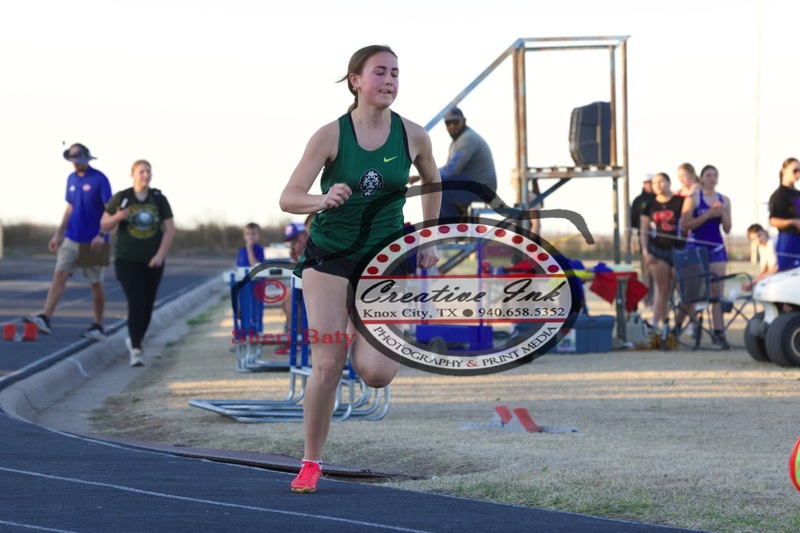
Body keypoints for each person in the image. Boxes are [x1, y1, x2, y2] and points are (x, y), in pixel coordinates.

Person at [279, 44, 440, 493]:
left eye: (395, 73)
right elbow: (289, 196)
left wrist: (426, 234)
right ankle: (311, 463)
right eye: (379, 72)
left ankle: (368, 325)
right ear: (355, 80)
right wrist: (321, 200)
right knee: (327, 364)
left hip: (383, 261)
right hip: (330, 257)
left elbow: (432, 179)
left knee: (376, 373)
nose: (389, 80)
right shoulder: (331, 135)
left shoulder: (413, 135)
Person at [23, 143, 112, 339]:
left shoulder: (99, 179)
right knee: (59, 275)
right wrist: (58, 233)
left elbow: (109, 209)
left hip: (93, 240)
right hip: (72, 237)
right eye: (72, 158)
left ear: (87, 159)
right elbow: (70, 207)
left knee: (95, 283)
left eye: (78, 158)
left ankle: (98, 325)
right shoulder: (71, 179)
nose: (75, 162)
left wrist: (101, 234)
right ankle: (46, 316)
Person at [100, 160, 175, 367]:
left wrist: (160, 255)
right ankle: (136, 349)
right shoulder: (122, 198)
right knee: (137, 302)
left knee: (148, 305)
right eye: (141, 171)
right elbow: (103, 224)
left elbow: (169, 229)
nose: (145, 175)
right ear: (132, 174)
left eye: (148, 171)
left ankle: (135, 339)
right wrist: (117, 217)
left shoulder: (158, 198)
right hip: (127, 260)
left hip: (152, 260)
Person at [410, 106, 496, 221]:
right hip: (472, 184)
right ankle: (447, 225)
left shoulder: (467, 139)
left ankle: (449, 230)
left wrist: (422, 176)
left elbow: (451, 170)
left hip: (482, 189)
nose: (452, 126)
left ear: (464, 121)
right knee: (438, 184)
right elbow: (448, 170)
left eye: (455, 122)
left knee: (440, 186)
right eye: (448, 123)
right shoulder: (459, 140)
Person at [681, 164, 731, 346]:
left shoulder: (724, 200)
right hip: (695, 248)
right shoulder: (693, 198)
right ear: (702, 178)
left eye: (714, 175)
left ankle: (719, 331)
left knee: (717, 290)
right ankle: (685, 326)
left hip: (716, 248)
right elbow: (686, 225)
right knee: (693, 291)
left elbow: (727, 228)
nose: (711, 178)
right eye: (708, 175)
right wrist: (709, 214)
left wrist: (722, 212)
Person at [640, 172, 685, 339]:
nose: (658, 185)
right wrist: (645, 251)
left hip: (678, 249)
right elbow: (643, 230)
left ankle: (683, 325)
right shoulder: (648, 204)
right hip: (657, 250)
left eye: (662, 181)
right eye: (655, 182)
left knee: (683, 289)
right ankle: (657, 324)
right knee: (663, 289)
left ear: (668, 182)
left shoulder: (680, 201)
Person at [274, 221, 309, 356]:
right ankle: (293, 338)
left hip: (326, 289)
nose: (293, 243)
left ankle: (296, 340)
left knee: (289, 296)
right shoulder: (300, 252)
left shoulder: (317, 245)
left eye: (296, 238)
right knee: (289, 296)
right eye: (291, 241)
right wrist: (296, 260)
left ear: (304, 235)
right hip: (309, 289)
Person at [768, 157, 800, 271]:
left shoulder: (798, 193)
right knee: (787, 274)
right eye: (794, 170)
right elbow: (772, 220)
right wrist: (793, 222)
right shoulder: (778, 195)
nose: (798, 174)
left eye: (799, 170)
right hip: (788, 240)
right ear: (784, 170)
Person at [630, 175, 656, 306]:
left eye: (653, 182)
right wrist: (633, 241)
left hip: (661, 240)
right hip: (644, 239)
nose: (651, 185)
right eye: (648, 183)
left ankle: (658, 300)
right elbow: (632, 223)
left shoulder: (659, 198)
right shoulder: (638, 201)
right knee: (646, 271)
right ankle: (648, 300)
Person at [742, 224, 778, 290]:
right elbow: (763, 270)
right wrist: (753, 282)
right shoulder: (762, 247)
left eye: (759, 235)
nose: (758, 239)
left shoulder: (771, 244)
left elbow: (773, 270)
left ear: (764, 232)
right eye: (754, 239)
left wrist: (752, 282)